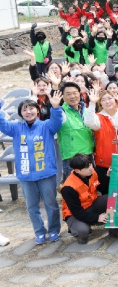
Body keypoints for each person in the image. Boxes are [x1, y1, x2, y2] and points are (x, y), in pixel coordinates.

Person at [0, 91, 64, 244]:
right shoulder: (16, 128)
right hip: (26, 175)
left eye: (31, 108)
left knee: (51, 204)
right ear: (20, 113)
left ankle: (54, 230)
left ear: (37, 110)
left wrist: (56, 107)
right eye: (24, 109)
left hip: (46, 173)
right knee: (32, 206)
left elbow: (57, 122)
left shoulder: (46, 126)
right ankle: (39, 232)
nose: (28, 112)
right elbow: (3, 124)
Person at [61, 153, 118, 244]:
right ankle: (77, 230)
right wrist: (97, 218)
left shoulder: (92, 173)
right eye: (87, 167)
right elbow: (77, 212)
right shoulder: (68, 187)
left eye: (90, 164)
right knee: (82, 231)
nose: (90, 168)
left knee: (113, 199)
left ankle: (116, 230)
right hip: (75, 214)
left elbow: (103, 189)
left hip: (92, 204)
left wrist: (107, 177)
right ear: (77, 170)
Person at [83, 89, 118, 195]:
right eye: (103, 100)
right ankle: (108, 206)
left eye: (109, 98)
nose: (107, 101)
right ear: (100, 103)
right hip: (105, 162)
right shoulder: (98, 117)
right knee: (107, 192)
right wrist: (92, 103)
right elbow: (89, 122)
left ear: (115, 100)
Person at [58, 82, 95, 182]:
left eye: (75, 93)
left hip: (89, 155)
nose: (72, 96)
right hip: (72, 158)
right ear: (62, 96)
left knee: (91, 186)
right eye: (68, 94)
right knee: (75, 187)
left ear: (80, 93)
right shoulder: (61, 112)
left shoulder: (86, 110)